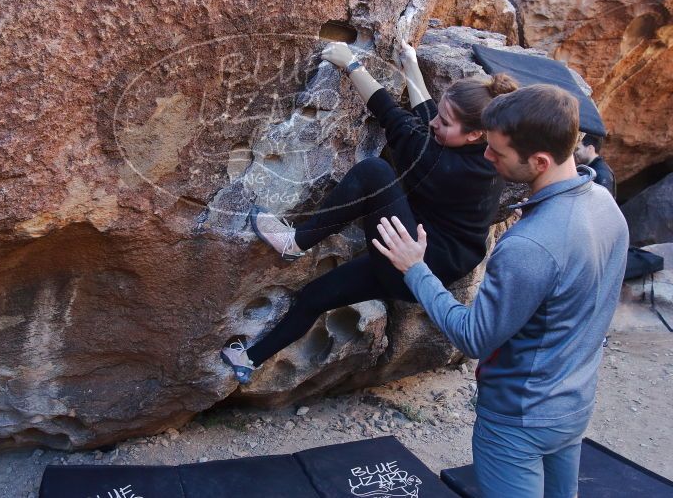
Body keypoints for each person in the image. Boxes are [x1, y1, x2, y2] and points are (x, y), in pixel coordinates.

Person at [371, 84, 629, 498]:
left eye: (498, 152)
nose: (487, 158)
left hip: (518, 420)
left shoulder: (530, 245)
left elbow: (474, 337)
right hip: (573, 405)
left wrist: (415, 268)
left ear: (540, 161)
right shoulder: (604, 203)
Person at [220, 39, 519, 384]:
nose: (437, 121)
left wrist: (351, 66)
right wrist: (412, 69)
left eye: (447, 121)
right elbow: (427, 126)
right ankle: (248, 361)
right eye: (440, 113)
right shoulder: (478, 151)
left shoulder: (459, 171)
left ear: (475, 135)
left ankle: (296, 242)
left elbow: (398, 123)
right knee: (315, 296)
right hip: (415, 253)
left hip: (417, 261)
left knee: (374, 173)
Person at [574, 133, 616, 198]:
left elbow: (604, 204)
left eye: (578, 149)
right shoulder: (591, 168)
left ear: (590, 148)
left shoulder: (602, 174)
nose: (575, 152)